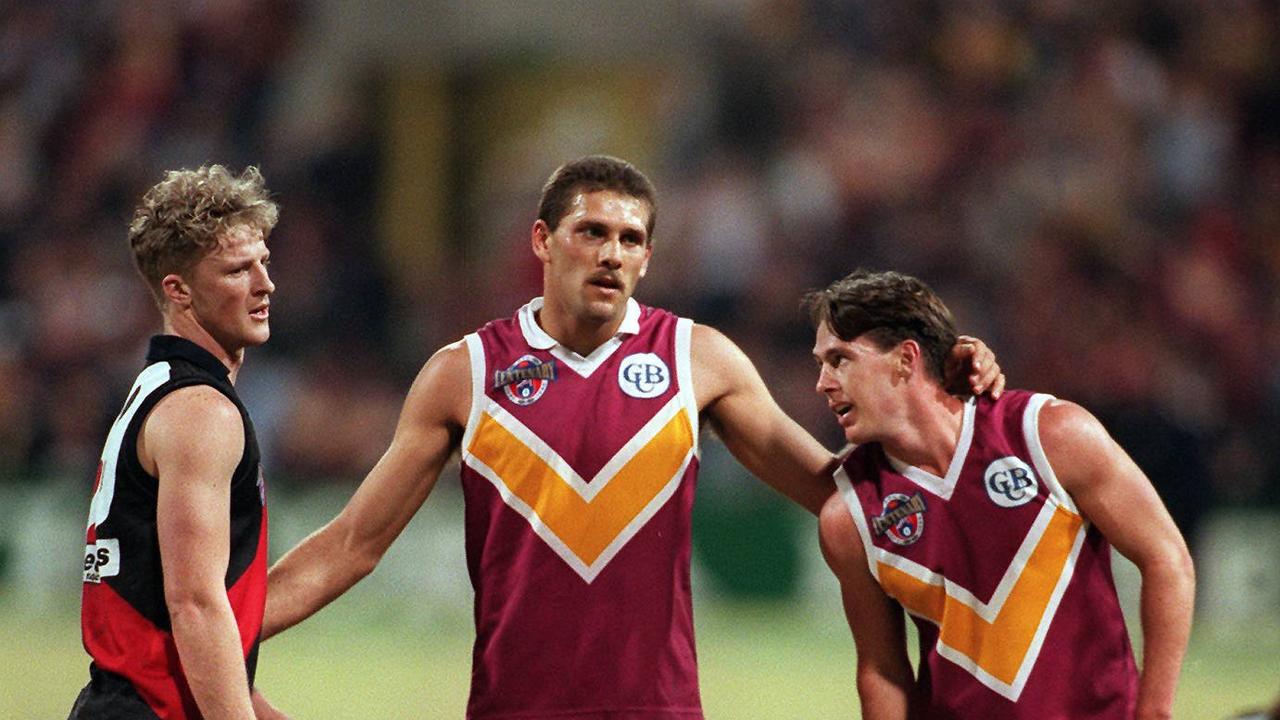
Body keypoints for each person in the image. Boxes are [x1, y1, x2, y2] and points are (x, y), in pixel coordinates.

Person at [260, 156, 1003, 719]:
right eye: (592, 233)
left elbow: (838, 493)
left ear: (648, 258)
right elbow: (353, 543)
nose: (612, 254)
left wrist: (945, 400)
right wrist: (208, 630)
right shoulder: (467, 373)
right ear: (544, 241)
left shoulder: (697, 360)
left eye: (630, 239)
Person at [807, 269, 1195, 719]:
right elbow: (883, 671)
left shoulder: (1048, 434)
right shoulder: (849, 516)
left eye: (840, 360)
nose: (823, 383)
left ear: (906, 359)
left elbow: (1167, 558)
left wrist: (1155, 711)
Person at [70, 165, 285, 720]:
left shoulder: (159, 388)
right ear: (178, 289)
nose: (265, 284)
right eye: (239, 270)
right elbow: (194, 605)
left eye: (264, 261)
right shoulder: (201, 413)